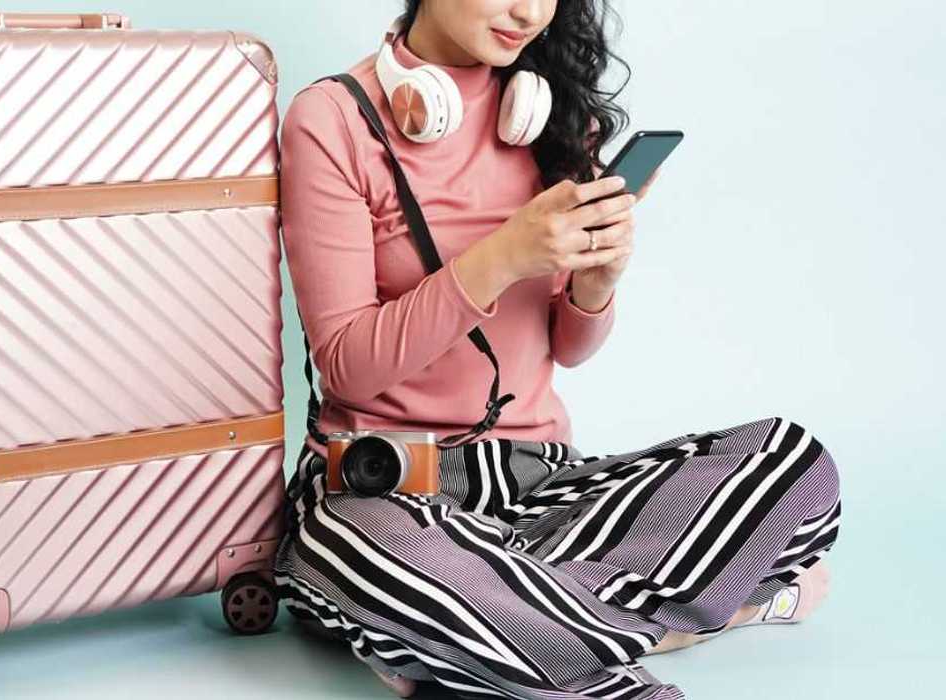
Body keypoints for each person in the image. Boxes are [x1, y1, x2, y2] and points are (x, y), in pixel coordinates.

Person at [271, 1, 842, 698]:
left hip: (542, 486)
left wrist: (596, 285)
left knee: (791, 466)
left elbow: (567, 350)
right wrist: (503, 256)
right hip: (383, 488)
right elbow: (349, 367)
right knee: (376, 552)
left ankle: (471, 632)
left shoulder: (553, 116)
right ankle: (664, 621)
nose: (529, 12)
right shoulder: (332, 119)